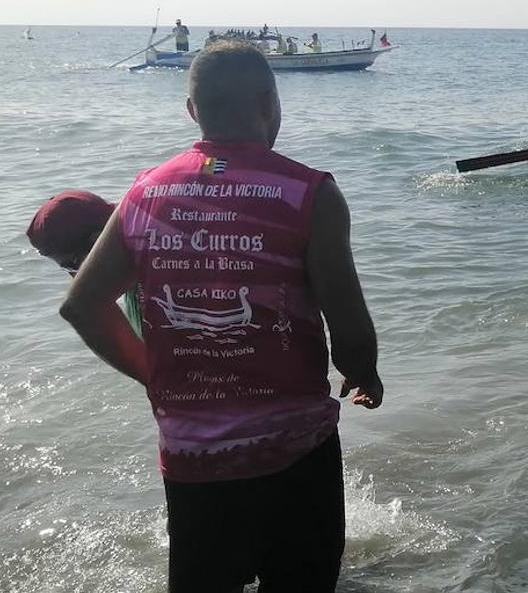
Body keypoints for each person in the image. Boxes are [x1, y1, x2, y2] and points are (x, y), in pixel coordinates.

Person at [58, 40, 383, 591]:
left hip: (192, 455)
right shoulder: (310, 193)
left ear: (193, 112)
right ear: (270, 103)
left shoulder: (145, 192)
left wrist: (154, 373)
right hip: (295, 448)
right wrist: (363, 370)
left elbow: (82, 305)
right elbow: (345, 319)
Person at [27, 190, 143, 334]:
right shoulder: (132, 264)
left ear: (98, 241)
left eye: (73, 266)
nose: (75, 278)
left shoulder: (157, 280)